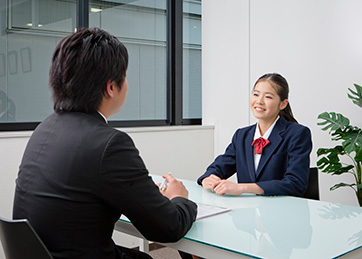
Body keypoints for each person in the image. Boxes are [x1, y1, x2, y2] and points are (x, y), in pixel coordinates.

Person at [13, 27, 197, 259]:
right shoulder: (109, 144)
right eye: (125, 75)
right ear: (111, 87)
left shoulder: (45, 129)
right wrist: (179, 198)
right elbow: (167, 227)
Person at [198, 73, 312, 197]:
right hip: (248, 211)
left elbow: (296, 183)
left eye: (268, 97)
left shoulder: (298, 134)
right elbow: (220, 166)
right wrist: (208, 179)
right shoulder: (242, 135)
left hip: (282, 210)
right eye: (256, 94)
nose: (259, 101)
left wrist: (242, 188)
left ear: (283, 104)